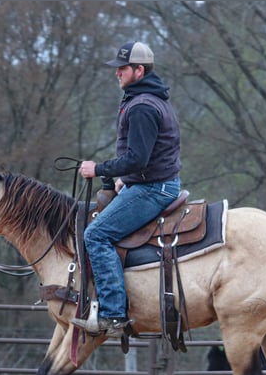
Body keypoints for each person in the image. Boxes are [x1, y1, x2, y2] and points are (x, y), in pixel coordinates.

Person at [71, 41, 182, 337]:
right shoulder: (152, 100)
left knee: (95, 235)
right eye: (117, 68)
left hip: (152, 190)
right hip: (152, 183)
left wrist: (99, 170)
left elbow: (138, 158)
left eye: (122, 68)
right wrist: (127, 179)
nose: (116, 73)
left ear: (139, 70)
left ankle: (113, 316)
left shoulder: (142, 106)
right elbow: (149, 156)